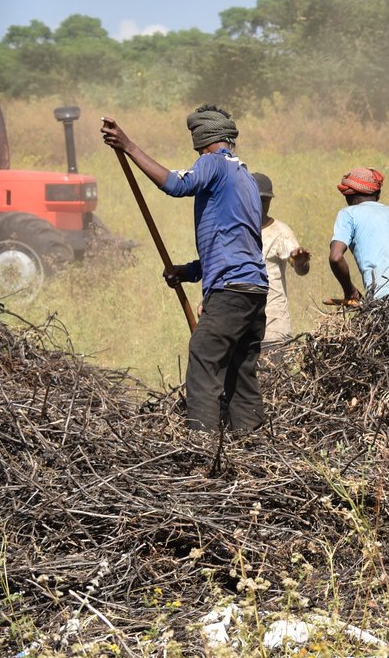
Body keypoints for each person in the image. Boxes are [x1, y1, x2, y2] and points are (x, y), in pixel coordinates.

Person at [100, 105, 268, 432]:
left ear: (202, 141)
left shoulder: (213, 163)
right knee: (239, 371)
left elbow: (176, 185)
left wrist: (128, 146)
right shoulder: (244, 176)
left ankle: (201, 448)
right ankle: (251, 444)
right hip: (254, 290)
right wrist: (188, 271)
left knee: (203, 357)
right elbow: (236, 243)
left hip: (230, 290)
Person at [329, 167, 389, 304]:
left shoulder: (349, 213)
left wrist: (350, 291)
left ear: (347, 196)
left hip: (385, 301)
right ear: (378, 194)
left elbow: (336, 257)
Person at [253, 172, 310, 351]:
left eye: (265, 201)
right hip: (241, 329)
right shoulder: (237, 231)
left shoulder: (281, 232)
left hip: (273, 326)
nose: (261, 206)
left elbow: (301, 269)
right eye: (256, 200)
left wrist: (300, 262)